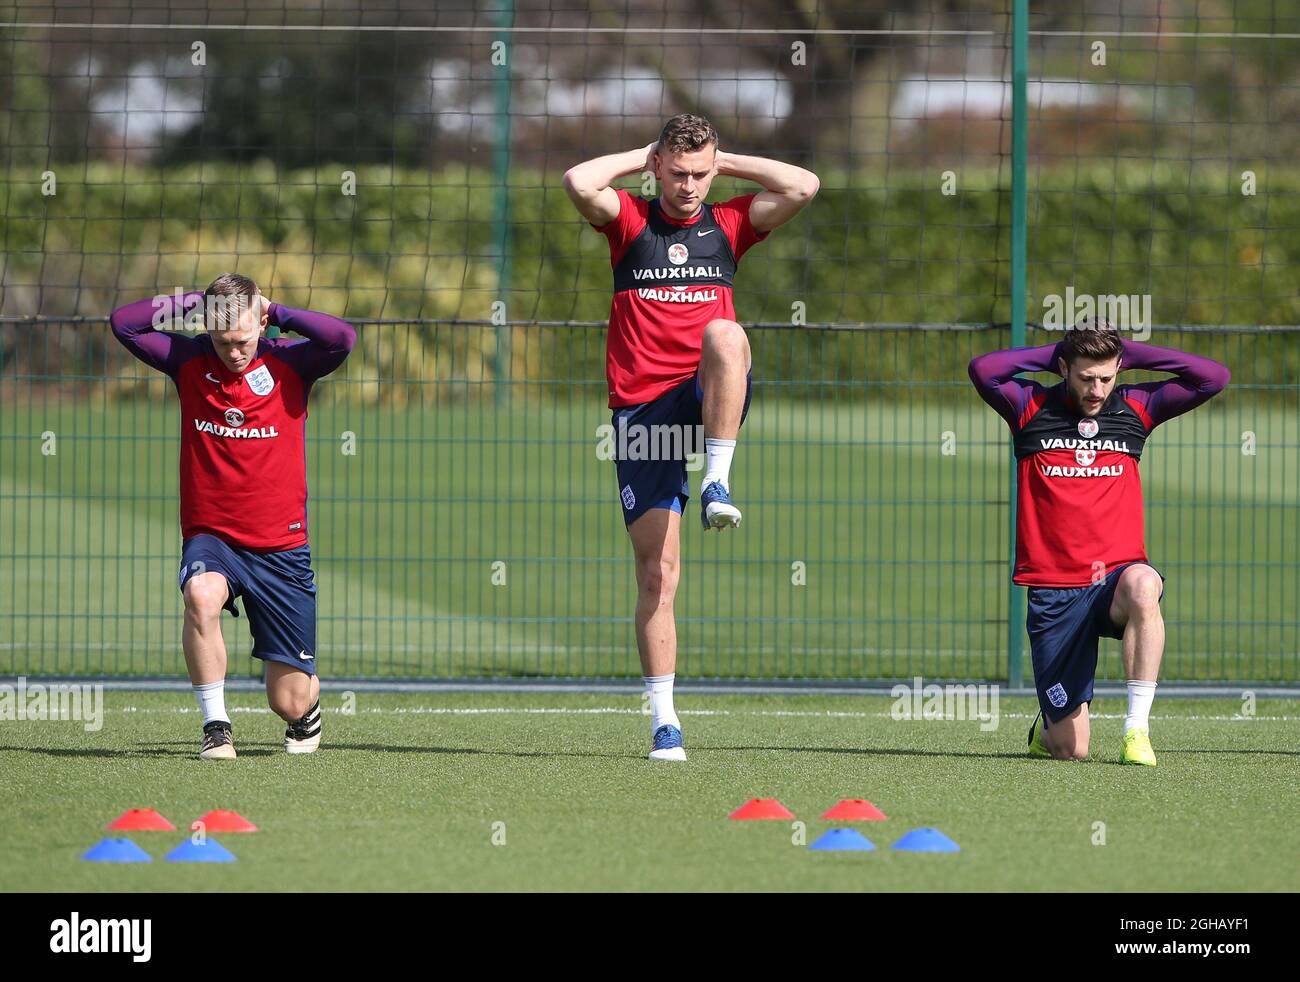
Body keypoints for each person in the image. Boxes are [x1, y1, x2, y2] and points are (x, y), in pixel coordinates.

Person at [562, 113, 819, 760]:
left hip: (707, 395)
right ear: (657, 169)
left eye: (701, 174)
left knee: (727, 335)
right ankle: (664, 721)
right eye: (678, 173)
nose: (690, 186)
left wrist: (725, 161)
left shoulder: (729, 224)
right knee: (658, 572)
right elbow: (576, 180)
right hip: (643, 411)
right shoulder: (630, 223)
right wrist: (644, 155)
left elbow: (804, 186)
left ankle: (718, 476)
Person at [110, 273, 355, 759]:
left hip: (281, 547)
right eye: (223, 342)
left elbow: (342, 338)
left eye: (242, 340)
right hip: (212, 537)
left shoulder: (290, 361)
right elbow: (125, 324)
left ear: (259, 325)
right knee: (199, 596)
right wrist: (190, 302)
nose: (234, 352)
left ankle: (305, 710)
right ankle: (216, 727)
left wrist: (276, 309)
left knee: (288, 700)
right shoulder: (189, 359)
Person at [969, 319, 1229, 765]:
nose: (1096, 389)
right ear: (1064, 369)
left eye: (1107, 377)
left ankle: (1136, 729)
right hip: (1054, 590)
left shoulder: (1136, 409)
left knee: (1145, 586)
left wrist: (1127, 353)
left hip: (1115, 578)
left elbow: (1213, 377)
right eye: (1086, 377)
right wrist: (1054, 353)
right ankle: (1049, 724)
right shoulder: (1029, 407)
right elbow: (983, 369)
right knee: (1071, 751)